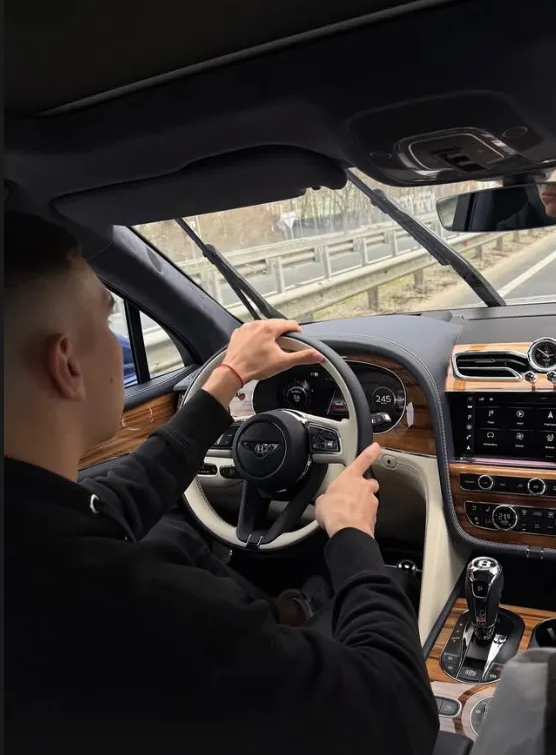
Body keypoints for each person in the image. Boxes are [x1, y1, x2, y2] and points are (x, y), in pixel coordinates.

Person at [5, 211, 439, 755]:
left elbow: (115, 502)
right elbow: (398, 713)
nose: (117, 343)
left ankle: (287, 611)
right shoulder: (147, 611)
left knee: (169, 535)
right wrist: (353, 536)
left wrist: (227, 379)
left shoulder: (35, 529)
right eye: (107, 319)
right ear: (66, 363)